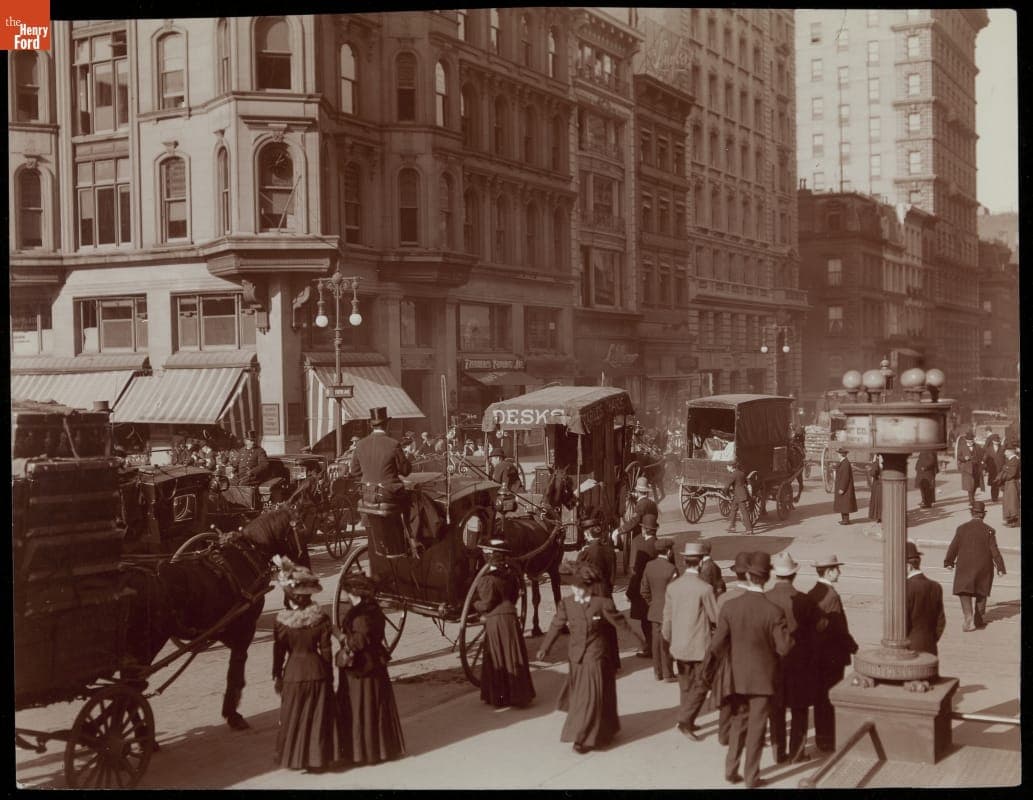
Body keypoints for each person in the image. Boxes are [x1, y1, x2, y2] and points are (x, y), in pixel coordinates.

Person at [535, 563, 644, 753]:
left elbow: (622, 625)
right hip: (576, 658)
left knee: (591, 697)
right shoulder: (566, 604)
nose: (576, 590)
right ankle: (601, 732)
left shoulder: (602, 604)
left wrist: (641, 642)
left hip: (597, 656)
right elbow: (556, 625)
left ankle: (583, 737)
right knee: (584, 698)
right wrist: (545, 647)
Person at [710, 551, 793, 788]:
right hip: (763, 680)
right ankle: (751, 776)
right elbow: (784, 648)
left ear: (747, 575)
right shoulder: (774, 611)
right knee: (757, 728)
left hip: (737, 677)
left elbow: (717, 644)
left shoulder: (731, 607)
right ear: (768, 577)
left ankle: (730, 769)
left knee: (738, 723)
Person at [333, 574, 405, 766]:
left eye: (348, 593)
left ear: (355, 594)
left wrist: (339, 636)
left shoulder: (361, 616)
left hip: (362, 668)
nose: (347, 597)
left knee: (361, 708)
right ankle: (380, 748)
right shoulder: (373, 610)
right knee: (375, 708)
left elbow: (358, 642)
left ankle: (362, 752)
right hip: (375, 665)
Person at [271, 563, 335, 772]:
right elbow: (326, 651)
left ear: (290, 597)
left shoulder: (282, 622)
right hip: (317, 672)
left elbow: (279, 652)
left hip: (293, 673)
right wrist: (329, 677)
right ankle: (317, 760)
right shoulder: (321, 619)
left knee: (294, 716)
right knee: (317, 717)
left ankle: (296, 759)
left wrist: (277, 675)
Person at [765, 552, 819, 764]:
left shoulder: (766, 598)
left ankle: (778, 753)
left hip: (773, 665)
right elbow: (817, 632)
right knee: (799, 709)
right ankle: (797, 753)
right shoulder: (805, 601)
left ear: (775, 575)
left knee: (776, 711)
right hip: (799, 665)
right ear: (794, 575)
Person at [662, 541, 719, 740]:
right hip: (699, 646)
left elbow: (667, 618)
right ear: (701, 562)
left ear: (685, 561)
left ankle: (689, 719)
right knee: (702, 684)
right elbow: (715, 617)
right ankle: (685, 720)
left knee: (685, 685)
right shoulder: (705, 589)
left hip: (679, 645)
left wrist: (668, 639)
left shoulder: (673, 587)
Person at [473, 540, 536, 708]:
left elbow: (486, 604)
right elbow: (514, 598)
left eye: (486, 552)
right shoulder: (511, 575)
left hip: (496, 621)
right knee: (512, 654)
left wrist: (475, 605)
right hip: (511, 618)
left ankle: (500, 697)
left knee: (498, 656)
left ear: (489, 557)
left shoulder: (487, 579)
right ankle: (518, 694)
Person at [807, 554, 858, 754]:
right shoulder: (832, 596)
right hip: (832, 656)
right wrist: (852, 647)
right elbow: (838, 628)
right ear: (828, 572)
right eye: (837, 569)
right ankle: (829, 739)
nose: (839, 572)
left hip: (817, 655)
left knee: (820, 698)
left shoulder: (813, 592)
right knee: (830, 698)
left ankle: (822, 738)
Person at [709, 552, 752, 747]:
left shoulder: (724, 599)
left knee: (726, 695)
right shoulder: (758, 599)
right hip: (749, 656)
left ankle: (723, 733)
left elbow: (717, 626)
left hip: (727, 654)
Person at [943, 501, 1006, 631]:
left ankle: (968, 617)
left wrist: (949, 562)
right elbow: (994, 550)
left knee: (964, 590)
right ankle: (978, 618)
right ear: (983, 515)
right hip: (984, 566)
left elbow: (953, 547)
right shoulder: (989, 530)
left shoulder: (961, 528)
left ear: (972, 513)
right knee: (981, 591)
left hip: (964, 565)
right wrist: (1000, 567)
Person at [349, 407, 412, 504]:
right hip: (388, 494)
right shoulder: (393, 444)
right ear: (387, 424)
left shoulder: (360, 444)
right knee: (416, 499)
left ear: (371, 425)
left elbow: (354, 472)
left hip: (367, 493)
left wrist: (369, 479)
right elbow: (405, 471)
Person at [640, 537, 677, 682]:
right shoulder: (671, 569)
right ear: (668, 551)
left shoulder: (649, 566)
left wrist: (652, 603)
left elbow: (644, 590)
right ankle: (668, 673)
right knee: (666, 641)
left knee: (655, 642)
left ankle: (657, 672)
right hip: (668, 611)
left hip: (654, 610)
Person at [626, 513, 659, 658]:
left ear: (644, 529)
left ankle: (650, 649)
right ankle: (655, 647)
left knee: (645, 621)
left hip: (643, 589)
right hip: (657, 589)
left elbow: (636, 572)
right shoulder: (658, 544)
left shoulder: (640, 545)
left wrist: (630, 592)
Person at [904, 541, 946, 656]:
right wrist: (931, 640)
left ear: (908, 566)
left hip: (909, 650)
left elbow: (902, 623)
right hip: (930, 647)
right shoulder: (935, 586)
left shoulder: (905, 588)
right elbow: (941, 621)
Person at [612, 476, 659, 553]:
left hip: (640, 540)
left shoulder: (640, 505)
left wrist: (618, 531)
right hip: (652, 538)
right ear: (647, 491)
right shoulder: (653, 504)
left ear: (637, 491)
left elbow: (634, 521)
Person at [725, 461, 754, 534]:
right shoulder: (742, 473)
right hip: (741, 495)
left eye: (727, 466)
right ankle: (732, 527)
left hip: (739, 496)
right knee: (733, 510)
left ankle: (749, 530)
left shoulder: (733, 475)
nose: (727, 468)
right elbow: (748, 481)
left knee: (744, 512)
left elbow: (726, 487)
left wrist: (727, 494)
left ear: (731, 467)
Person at [957, 431, 984, 506]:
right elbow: (959, 457)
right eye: (969, 441)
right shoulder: (962, 447)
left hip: (976, 468)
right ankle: (971, 500)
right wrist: (964, 458)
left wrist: (982, 462)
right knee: (970, 485)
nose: (971, 442)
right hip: (967, 469)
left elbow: (982, 455)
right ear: (966, 440)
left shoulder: (977, 446)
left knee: (975, 484)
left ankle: (972, 497)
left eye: (972, 441)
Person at [997, 446, 1021, 527]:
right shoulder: (1011, 459)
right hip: (1010, 483)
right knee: (1009, 502)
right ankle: (1010, 520)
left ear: (1010, 451)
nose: (1004, 453)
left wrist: (1002, 476)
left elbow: (1012, 473)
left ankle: (1014, 522)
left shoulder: (1014, 460)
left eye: (1006, 451)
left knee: (1012, 503)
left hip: (1012, 483)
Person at [833, 448, 857, 525]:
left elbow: (845, 477)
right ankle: (844, 519)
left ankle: (846, 520)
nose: (838, 455)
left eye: (838, 454)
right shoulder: (843, 462)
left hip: (844, 487)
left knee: (845, 504)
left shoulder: (845, 463)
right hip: (842, 486)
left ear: (841, 454)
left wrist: (842, 488)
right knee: (843, 504)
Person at [983, 434, 1006, 503]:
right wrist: (985, 469)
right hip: (992, 470)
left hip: (1000, 469)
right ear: (992, 441)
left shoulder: (1002, 448)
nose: (997, 442)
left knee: (1001, 484)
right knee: (994, 484)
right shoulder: (988, 449)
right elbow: (985, 459)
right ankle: (994, 498)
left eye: (998, 441)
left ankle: (1004, 497)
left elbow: (1005, 459)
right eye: (995, 441)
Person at [867, 455, 883, 523]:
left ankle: (879, 517)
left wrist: (873, 463)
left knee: (878, 501)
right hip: (886, 484)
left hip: (878, 484)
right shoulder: (887, 460)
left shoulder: (876, 462)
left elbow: (873, 473)